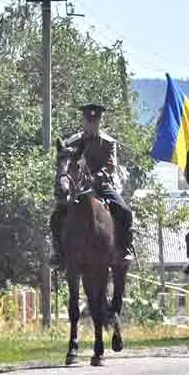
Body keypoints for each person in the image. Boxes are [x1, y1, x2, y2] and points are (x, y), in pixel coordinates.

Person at [51, 103, 133, 267]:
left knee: (124, 210)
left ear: (100, 122)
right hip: (78, 189)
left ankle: (125, 249)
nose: (92, 124)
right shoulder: (72, 142)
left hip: (101, 186)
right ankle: (58, 252)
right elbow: (66, 164)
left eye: (95, 121)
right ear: (83, 121)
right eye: (89, 121)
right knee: (56, 216)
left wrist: (97, 178)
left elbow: (111, 166)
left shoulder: (108, 142)